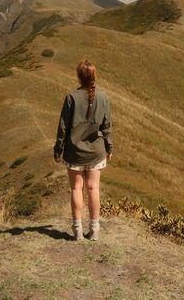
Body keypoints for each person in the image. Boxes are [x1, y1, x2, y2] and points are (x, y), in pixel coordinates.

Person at [53, 59, 113, 241]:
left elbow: (63, 127)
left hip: (74, 152)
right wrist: (109, 146)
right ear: (94, 76)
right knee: (94, 188)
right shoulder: (103, 97)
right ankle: (94, 230)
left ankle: (77, 231)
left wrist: (58, 149)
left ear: (78, 76)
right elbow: (107, 126)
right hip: (96, 151)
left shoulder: (71, 98)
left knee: (76, 189)